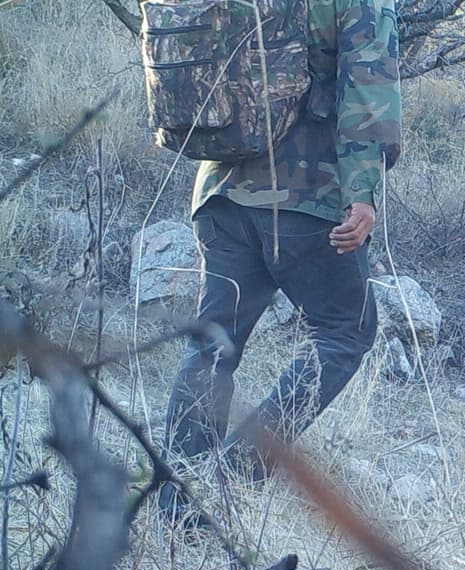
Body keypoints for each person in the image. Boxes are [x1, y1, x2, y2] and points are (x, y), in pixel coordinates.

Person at [159, 0, 402, 524]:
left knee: (212, 344)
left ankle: (175, 509)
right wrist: (362, 193)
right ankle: (232, 476)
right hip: (307, 196)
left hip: (220, 190)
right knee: (344, 333)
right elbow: (366, 83)